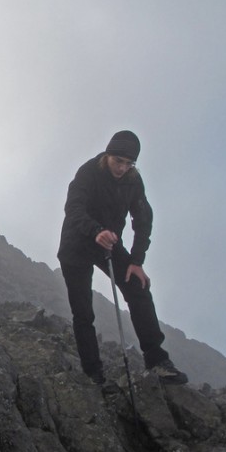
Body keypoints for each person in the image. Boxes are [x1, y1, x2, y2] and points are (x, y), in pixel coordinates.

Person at [57, 130, 188, 386]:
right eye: (118, 160)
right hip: (76, 245)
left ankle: (157, 360)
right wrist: (96, 231)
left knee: (138, 287)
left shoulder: (133, 181)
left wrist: (137, 261)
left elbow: (143, 219)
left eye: (129, 163)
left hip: (109, 245)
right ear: (107, 155)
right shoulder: (88, 172)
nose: (122, 167)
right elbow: (73, 207)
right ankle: (94, 374)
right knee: (83, 312)